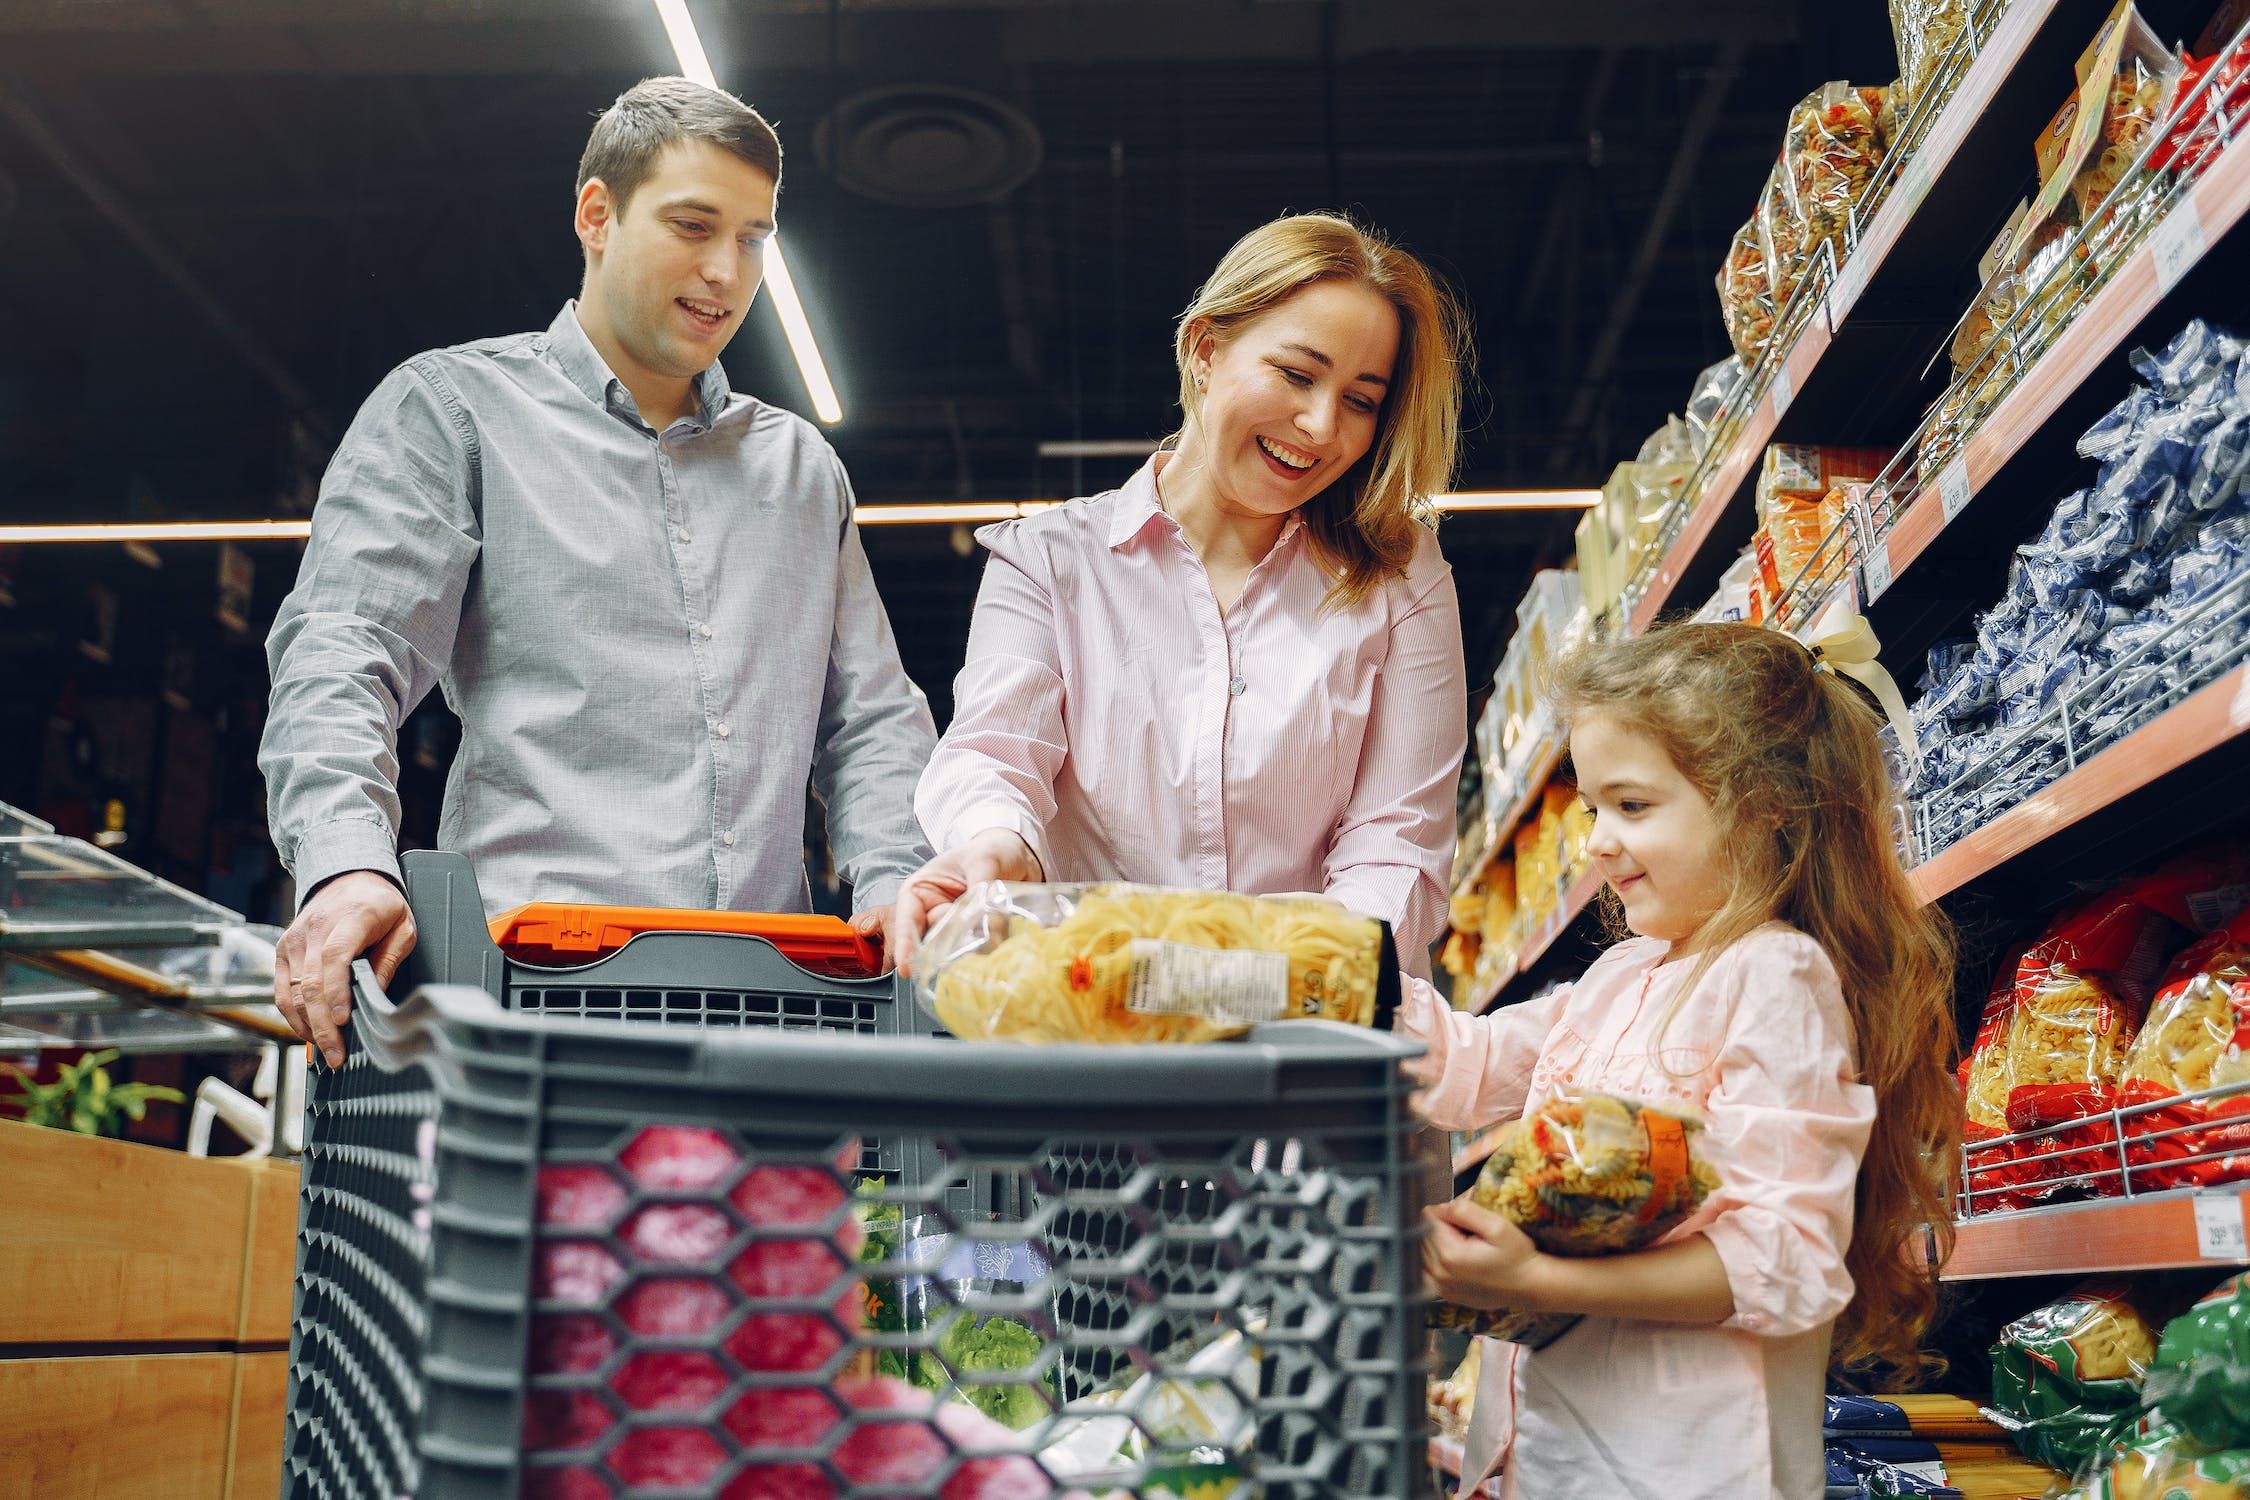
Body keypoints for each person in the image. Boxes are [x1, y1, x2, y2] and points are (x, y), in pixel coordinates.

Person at [261, 78, 936, 1065]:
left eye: (753, 238)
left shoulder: (799, 472)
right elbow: (345, 651)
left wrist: (898, 887)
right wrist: (346, 865)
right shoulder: (454, 412)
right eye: (693, 224)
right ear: (596, 214)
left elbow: (870, 720)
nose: (726, 271)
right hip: (526, 1017)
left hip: (773, 1023)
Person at [1408, 621, 1960, 1500]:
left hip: (1686, 1467)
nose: (1596, 842)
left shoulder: (1774, 976)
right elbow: (1463, 1063)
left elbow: (1784, 1259)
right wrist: (1322, 966)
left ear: (1767, 806)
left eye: (1632, 807)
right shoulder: (1620, 976)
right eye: (1593, 809)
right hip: (1547, 1460)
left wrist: (1534, 1279)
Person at [886, 212, 1471, 978]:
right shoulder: (1048, 562)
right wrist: (996, 845)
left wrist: (1263, 978)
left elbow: (1397, 841)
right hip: (1093, 1023)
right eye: (1297, 374)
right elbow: (995, 754)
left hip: (1311, 1038)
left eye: (1361, 401)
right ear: (1205, 350)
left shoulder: (1399, 575)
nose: (1322, 425)